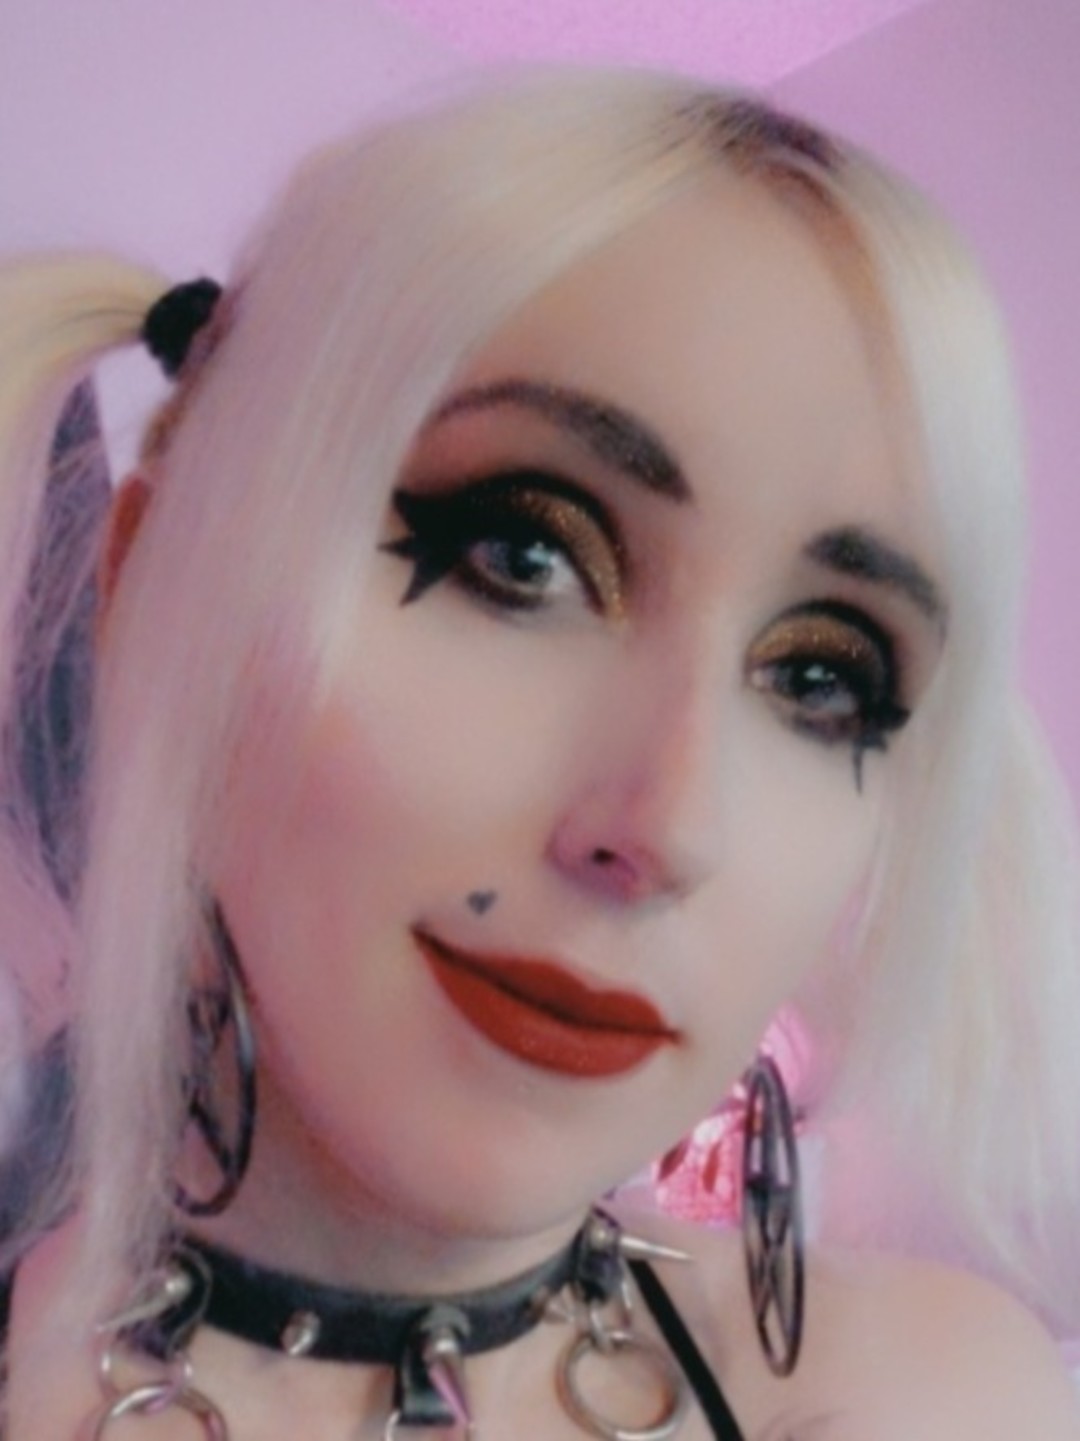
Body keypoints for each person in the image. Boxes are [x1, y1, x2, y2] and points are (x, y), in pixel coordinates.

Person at [0, 65, 1076, 1439]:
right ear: (159, 591)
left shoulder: (942, 1392)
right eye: (521, 555)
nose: (671, 824)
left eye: (823, 678)